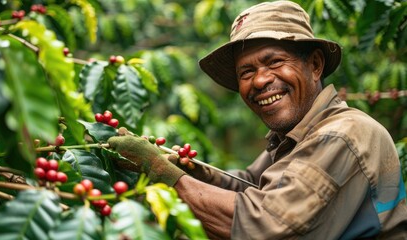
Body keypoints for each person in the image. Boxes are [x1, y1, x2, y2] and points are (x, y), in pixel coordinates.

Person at [108, 1, 407, 239]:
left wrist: (160, 171)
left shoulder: (342, 134)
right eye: (246, 72)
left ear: (315, 65)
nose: (260, 80)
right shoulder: (296, 135)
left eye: (274, 61)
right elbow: (248, 185)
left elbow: (265, 224)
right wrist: (191, 170)